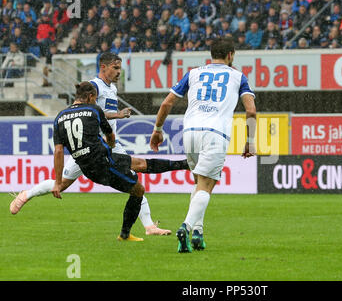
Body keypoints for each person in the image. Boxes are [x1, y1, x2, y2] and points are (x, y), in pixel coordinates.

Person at [10, 53, 190, 236]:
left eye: (120, 68)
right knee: (64, 184)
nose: (119, 72)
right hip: (94, 144)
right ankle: (26, 194)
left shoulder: (111, 88)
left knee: (131, 176)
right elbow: (89, 111)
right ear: (103, 67)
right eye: (115, 68)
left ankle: (149, 226)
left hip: (108, 143)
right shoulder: (94, 86)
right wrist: (117, 115)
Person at [150, 38, 257, 253]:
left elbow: (166, 102)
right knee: (206, 186)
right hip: (215, 134)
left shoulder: (194, 73)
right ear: (230, 55)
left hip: (189, 133)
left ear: (211, 55)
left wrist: (157, 130)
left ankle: (198, 233)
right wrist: (250, 140)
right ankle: (186, 227)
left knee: (200, 183)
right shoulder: (238, 77)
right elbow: (251, 111)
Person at [51, 82, 145, 241]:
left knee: (62, 184)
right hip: (96, 156)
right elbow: (106, 129)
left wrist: (56, 181)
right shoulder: (94, 106)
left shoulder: (60, 116)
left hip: (79, 156)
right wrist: (110, 145)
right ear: (90, 97)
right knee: (137, 184)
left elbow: (59, 150)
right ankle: (129, 232)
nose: (95, 101)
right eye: (94, 98)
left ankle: (26, 195)